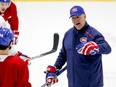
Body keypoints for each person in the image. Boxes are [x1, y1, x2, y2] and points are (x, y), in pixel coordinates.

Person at [45, 5, 112, 87]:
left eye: (78, 17)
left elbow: (107, 48)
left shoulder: (93, 34)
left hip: (92, 84)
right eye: (73, 18)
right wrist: (55, 68)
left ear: (84, 16)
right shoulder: (68, 34)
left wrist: (95, 47)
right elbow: (63, 54)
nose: (76, 20)